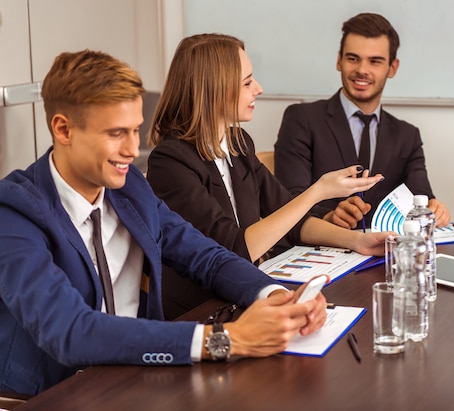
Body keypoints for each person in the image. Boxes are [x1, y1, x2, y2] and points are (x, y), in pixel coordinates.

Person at [0, 50, 327, 396]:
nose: (132, 149)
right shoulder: (14, 210)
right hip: (55, 392)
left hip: (139, 372)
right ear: (63, 129)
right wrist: (230, 339)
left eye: (136, 130)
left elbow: (207, 257)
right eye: (116, 133)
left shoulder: (130, 188)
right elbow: (70, 332)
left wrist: (277, 296)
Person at [147, 33, 391, 319]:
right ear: (215, 89)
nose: (259, 89)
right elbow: (235, 250)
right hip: (201, 312)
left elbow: (291, 219)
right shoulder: (171, 162)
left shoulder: (238, 143)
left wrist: (357, 241)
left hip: (247, 295)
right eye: (248, 83)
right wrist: (317, 191)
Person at [274, 12, 450, 230]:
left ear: (392, 68)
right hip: (322, 249)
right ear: (339, 60)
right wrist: (329, 216)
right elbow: (288, 198)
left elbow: (420, 200)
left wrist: (434, 209)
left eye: (375, 61)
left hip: (384, 254)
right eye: (353, 58)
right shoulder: (302, 119)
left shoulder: (407, 135)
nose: (362, 70)